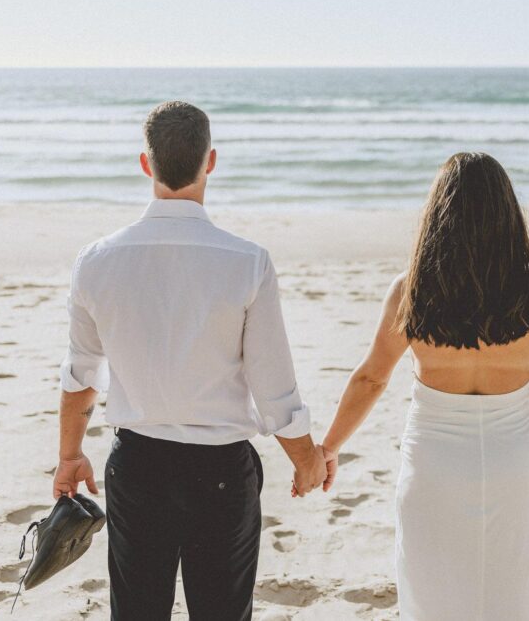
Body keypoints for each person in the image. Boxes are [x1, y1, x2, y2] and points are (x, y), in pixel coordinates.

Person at [52, 100, 328, 621]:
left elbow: (81, 374)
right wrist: (307, 460)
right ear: (211, 161)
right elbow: (274, 389)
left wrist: (70, 456)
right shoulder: (247, 261)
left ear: (145, 163)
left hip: (137, 465)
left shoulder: (96, 261)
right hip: (220, 471)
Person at [319, 152, 529, 620]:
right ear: (508, 214)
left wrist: (328, 447)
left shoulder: (413, 288)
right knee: (508, 589)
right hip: (512, 458)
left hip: (434, 461)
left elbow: (371, 377)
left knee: (431, 587)